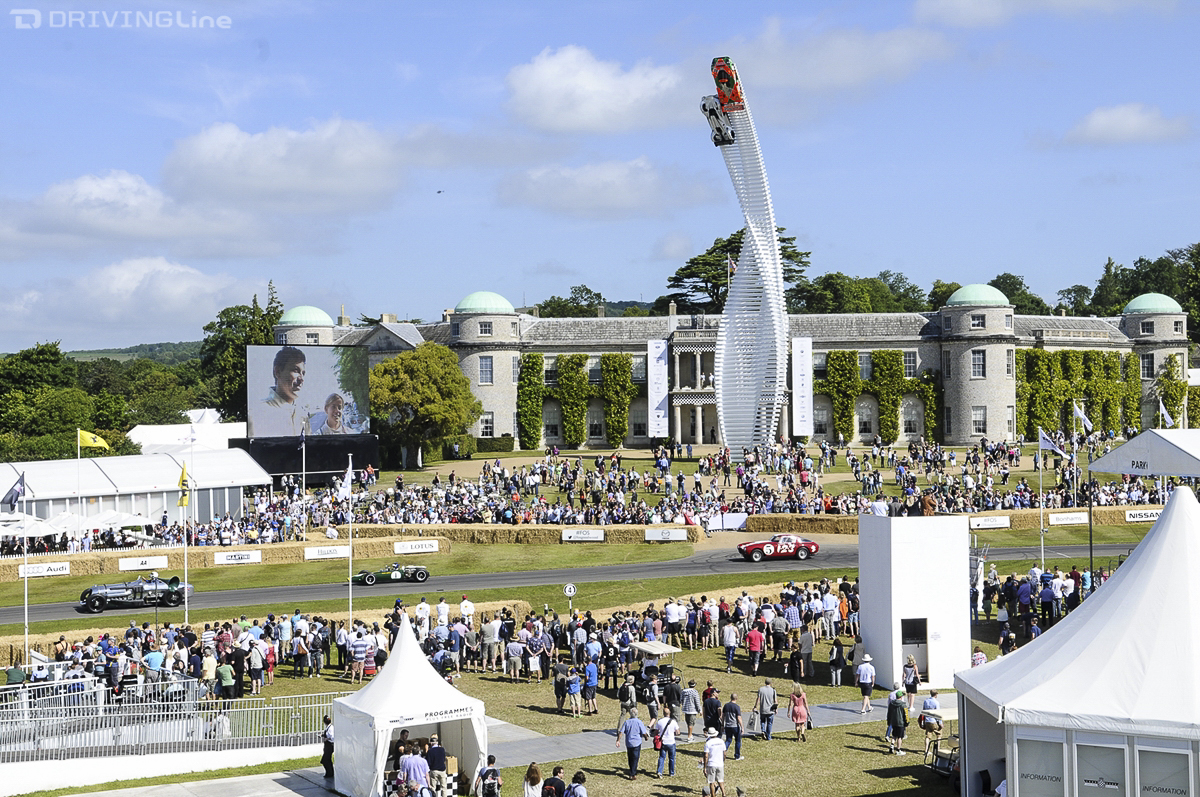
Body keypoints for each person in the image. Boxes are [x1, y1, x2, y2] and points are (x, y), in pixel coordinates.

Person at [257, 346, 307, 437]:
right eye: (296, 370)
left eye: (303, 373)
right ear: (277, 372)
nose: (301, 379)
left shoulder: (303, 415)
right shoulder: (258, 413)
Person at [615, 707, 651, 780]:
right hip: (637, 743)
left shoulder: (627, 722)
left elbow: (621, 732)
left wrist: (618, 740)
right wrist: (646, 738)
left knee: (630, 757)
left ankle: (631, 770)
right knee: (635, 758)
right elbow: (644, 732)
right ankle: (632, 773)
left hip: (629, 743)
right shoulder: (639, 722)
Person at [653, 710, 679, 777]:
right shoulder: (673, 721)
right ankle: (671, 772)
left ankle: (659, 771)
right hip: (671, 742)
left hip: (663, 742)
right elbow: (678, 732)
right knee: (672, 758)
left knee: (661, 757)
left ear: (663, 713)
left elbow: (656, 732)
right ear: (669, 713)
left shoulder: (660, 721)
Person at [703, 727, 727, 797]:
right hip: (720, 764)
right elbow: (724, 753)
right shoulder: (721, 741)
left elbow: (706, 755)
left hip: (711, 764)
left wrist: (705, 767)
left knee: (711, 782)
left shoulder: (708, 743)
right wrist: (723, 761)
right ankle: (724, 793)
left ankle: (713, 795)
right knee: (721, 780)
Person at [722, 692, 744, 760]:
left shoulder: (726, 705)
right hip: (735, 726)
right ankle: (737, 756)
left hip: (727, 725)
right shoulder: (736, 707)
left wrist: (722, 725)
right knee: (737, 741)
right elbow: (738, 718)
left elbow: (723, 716)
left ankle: (723, 750)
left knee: (728, 739)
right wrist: (742, 727)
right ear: (736, 698)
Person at [886, 689, 909, 755]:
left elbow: (889, 713)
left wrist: (889, 721)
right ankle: (898, 750)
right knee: (900, 737)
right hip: (900, 722)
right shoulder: (903, 704)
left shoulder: (891, 704)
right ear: (901, 697)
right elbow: (906, 714)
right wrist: (907, 722)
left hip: (893, 722)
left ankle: (892, 745)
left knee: (894, 735)